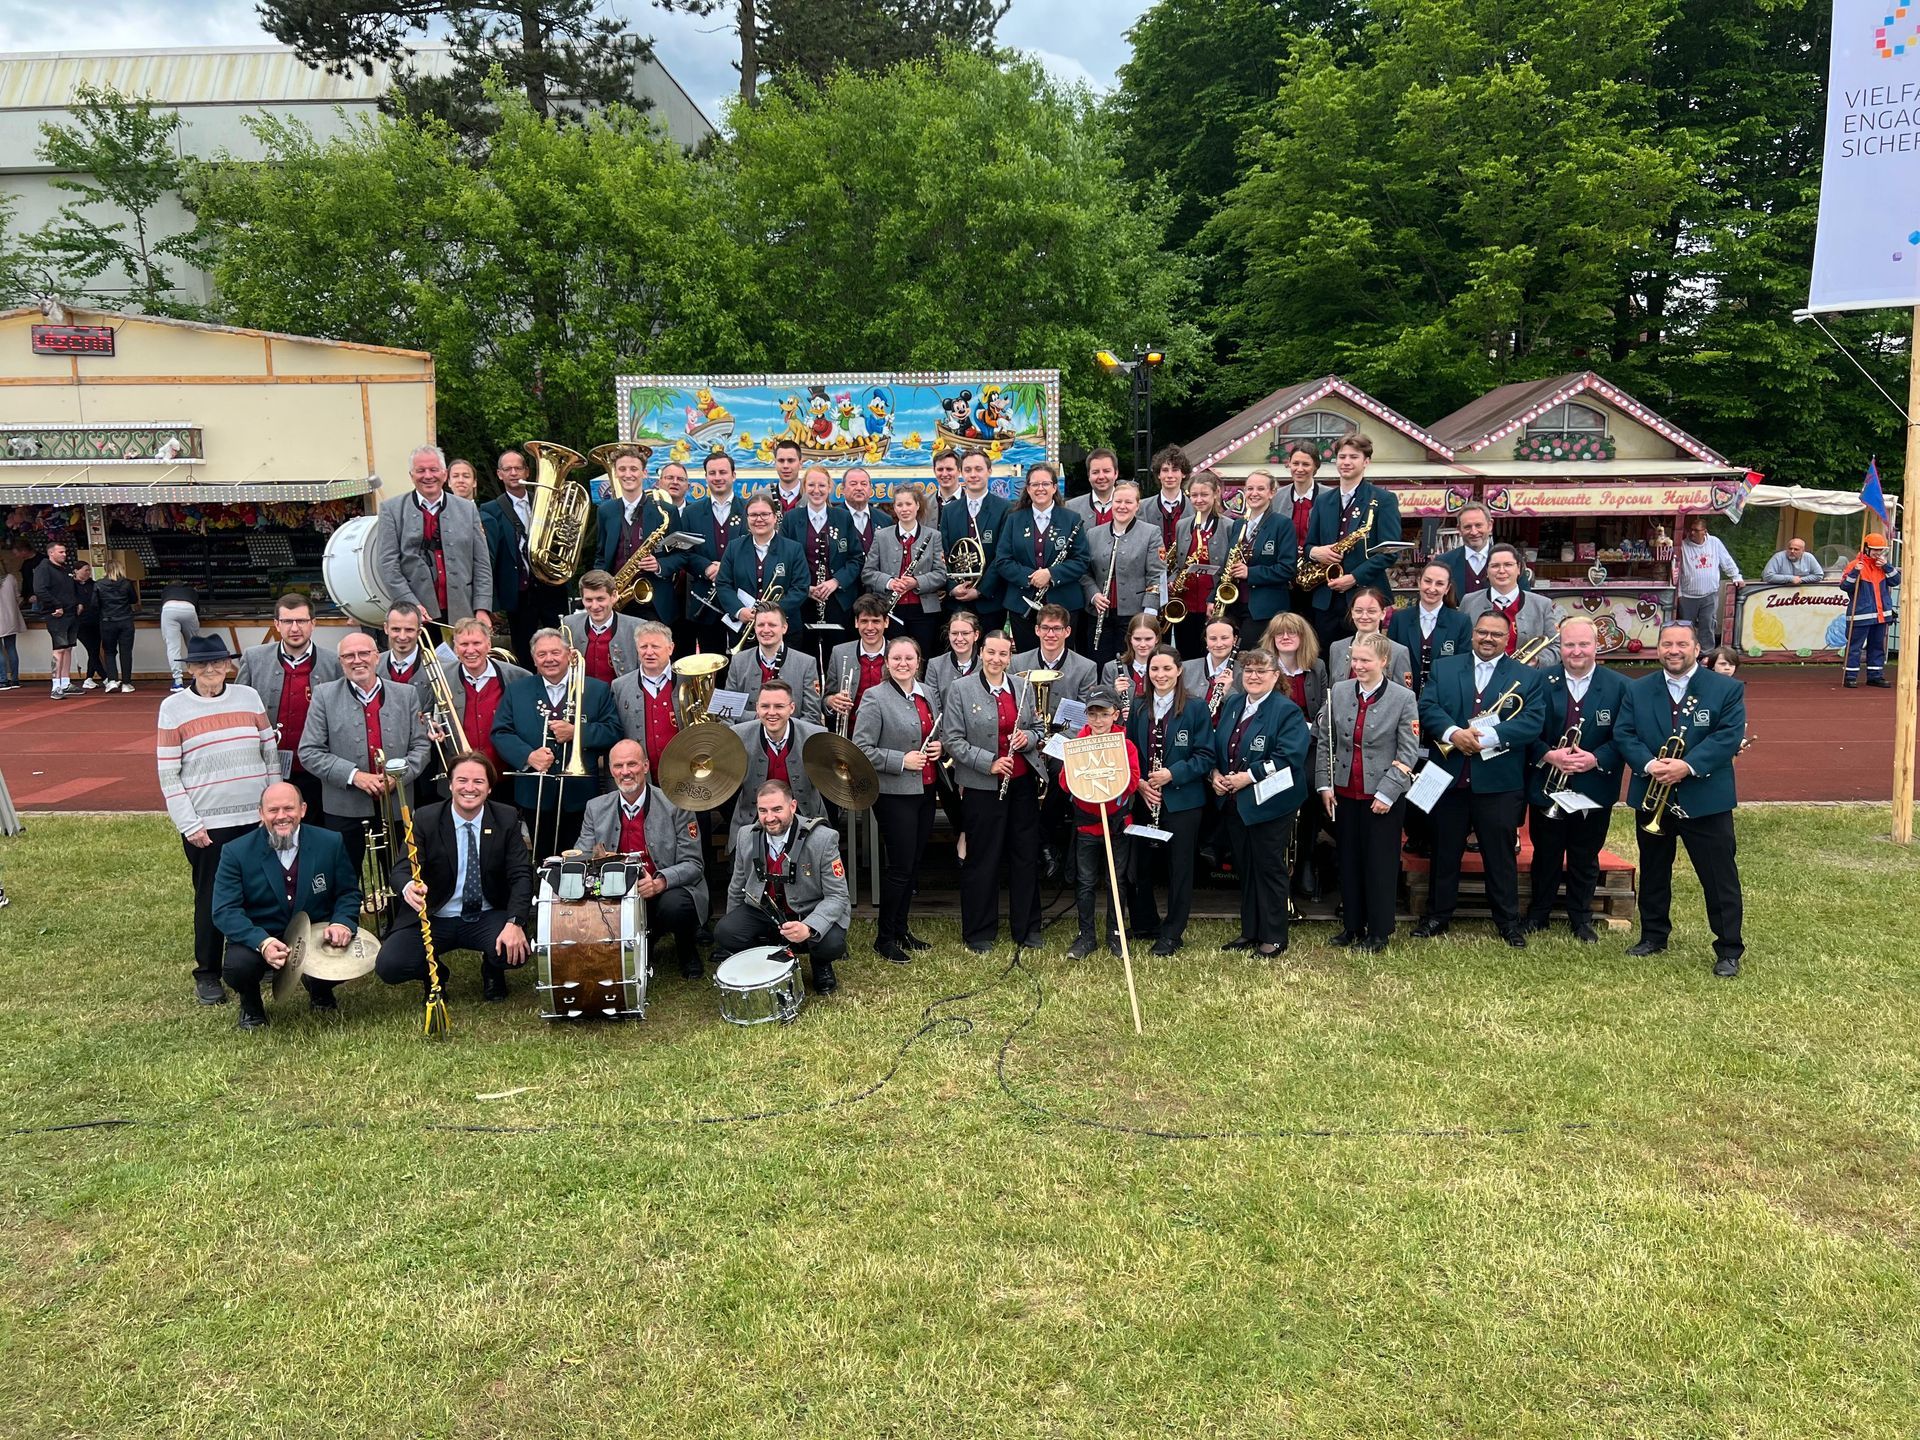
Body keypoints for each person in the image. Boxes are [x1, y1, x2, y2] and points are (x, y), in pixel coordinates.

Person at [1616, 621, 1747, 976]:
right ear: (1658, 648)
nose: (1673, 650)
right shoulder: (1637, 689)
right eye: (1667, 644)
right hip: (1653, 793)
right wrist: (1649, 764)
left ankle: (1728, 948)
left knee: (1718, 876)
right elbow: (1624, 733)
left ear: (1697, 648)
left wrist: (1687, 766)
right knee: (1654, 870)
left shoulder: (1726, 688)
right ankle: (1653, 935)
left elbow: (1728, 736)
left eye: (1682, 644)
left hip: (1706, 798)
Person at [156, 634, 279, 1005]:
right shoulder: (173, 708)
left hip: (255, 819)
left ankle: (259, 957)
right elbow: (168, 773)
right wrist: (189, 824)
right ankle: (208, 972)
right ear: (190, 669)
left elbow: (270, 754)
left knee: (260, 892)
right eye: (201, 663)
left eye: (217, 662)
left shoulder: (249, 697)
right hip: (208, 826)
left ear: (229, 665)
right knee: (212, 897)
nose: (210, 669)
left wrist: (273, 809)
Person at [1413, 611, 1547, 945]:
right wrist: (1453, 733)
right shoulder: (1444, 668)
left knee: (1500, 855)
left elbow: (1532, 722)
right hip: (1450, 778)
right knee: (1444, 851)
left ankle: (1507, 921)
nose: (1488, 639)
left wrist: (1486, 739)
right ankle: (1437, 916)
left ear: (1508, 638)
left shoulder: (1528, 677)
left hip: (1499, 783)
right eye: (1483, 632)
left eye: (1497, 634)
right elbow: (1427, 708)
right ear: (1473, 633)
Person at [374, 751, 535, 1002]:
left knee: (515, 953)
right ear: (450, 784)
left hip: (486, 913)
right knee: (391, 966)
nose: (469, 788)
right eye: (462, 780)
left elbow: (521, 874)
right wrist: (408, 887)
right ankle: (434, 974)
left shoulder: (506, 817)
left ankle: (492, 969)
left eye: (478, 781)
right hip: (435, 914)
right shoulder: (425, 818)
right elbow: (402, 869)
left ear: (489, 788)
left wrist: (515, 923)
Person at [211, 782, 362, 1029]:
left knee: (350, 949)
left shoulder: (330, 842)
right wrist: (262, 942)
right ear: (261, 813)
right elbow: (224, 910)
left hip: (314, 935)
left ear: (303, 809)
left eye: (289, 808)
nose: (281, 816)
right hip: (262, 936)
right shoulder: (235, 852)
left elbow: (348, 893)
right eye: (273, 810)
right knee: (239, 966)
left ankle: (320, 989)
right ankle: (251, 1005)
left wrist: (342, 923)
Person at [1521, 616, 1627, 943]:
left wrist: (1596, 758)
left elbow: (1626, 735)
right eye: (1569, 644)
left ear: (1597, 646)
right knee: (1546, 853)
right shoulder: (1539, 680)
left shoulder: (1620, 685)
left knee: (1585, 854)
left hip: (1593, 784)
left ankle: (1581, 917)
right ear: (1560, 647)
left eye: (1583, 644)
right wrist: (1548, 755)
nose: (1576, 651)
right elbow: (1524, 730)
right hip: (1547, 783)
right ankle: (1538, 913)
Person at [940, 629, 1045, 953]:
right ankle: (979, 931)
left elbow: (1038, 728)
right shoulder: (960, 689)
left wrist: (1027, 738)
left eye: (1003, 654)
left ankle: (1027, 928)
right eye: (991, 652)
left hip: (1022, 783)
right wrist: (990, 763)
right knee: (983, 857)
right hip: (982, 786)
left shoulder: (1022, 686)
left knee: (1025, 855)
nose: (996, 659)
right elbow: (952, 740)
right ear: (981, 652)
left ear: (1010, 657)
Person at [297, 631, 432, 879]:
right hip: (344, 806)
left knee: (402, 876)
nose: (357, 660)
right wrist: (355, 776)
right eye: (349, 656)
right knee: (343, 878)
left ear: (377, 657)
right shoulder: (324, 695)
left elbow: (421, 747)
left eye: (364, 653)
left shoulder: (406, 694)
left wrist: (397, 777)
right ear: (340, 662)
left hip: (396, 803)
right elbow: (309, 751)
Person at [1316, 633, 1420, 952]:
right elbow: (1326, 740)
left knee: (1379, 865)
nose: (1358, 666)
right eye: (1355, 660)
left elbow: (1408, 751)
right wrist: (1325, 784)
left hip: (1382, 797)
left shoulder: (1403, 698)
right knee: (1348, 861)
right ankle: (1352, 926)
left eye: (1366, 660)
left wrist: (1388, 793)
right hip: (1345, 793)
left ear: (1383, 661)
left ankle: (1379, 931)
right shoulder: (1339, 691)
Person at [1210, 648, 1312, 957]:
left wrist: (1248, 777)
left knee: (1268, 867)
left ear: (1275, 676)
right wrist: (1215, 773)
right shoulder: (1234, 703)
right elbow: (1219, 745)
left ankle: (1274, 936)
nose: (1253, 676)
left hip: (1272, 803)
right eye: (1249, 670)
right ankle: (1251, 931)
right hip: (1236, 802)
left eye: (1261, 671)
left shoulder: (1287, 711)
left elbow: (1289, 757)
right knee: (1246, 868)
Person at [579, 739, 707, 979]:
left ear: (646, 766)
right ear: (611, 770)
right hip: (615, 893)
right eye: (618, 766)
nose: (625, 772)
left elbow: (694, 864)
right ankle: (643, 941)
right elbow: (582, 856)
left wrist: (659, 882)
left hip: (663, 892)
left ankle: (687, 950)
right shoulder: (595, 808)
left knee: (677, 906)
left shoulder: (676, 805)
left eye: (632, 764)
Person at [492, 627, 621, 859]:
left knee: (579, 859)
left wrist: (577, 732)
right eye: (541, 654)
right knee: (542, 858)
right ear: (534, 659)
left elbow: (613, 731)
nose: (549, 659)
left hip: (580, 794)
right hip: (534, 793)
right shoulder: (517, 690)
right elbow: (501, 732)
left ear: (568, 655)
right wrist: (528, 756)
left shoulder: (596, 689)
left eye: (555, 652)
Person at [853, 635, 943, 964]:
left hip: (926, 789)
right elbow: (861, 749)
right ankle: (884, 938)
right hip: (894, 795)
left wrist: (940, 747)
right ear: (887, 663)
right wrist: (900, 760)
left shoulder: (927, 693)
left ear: (919, 662)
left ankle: (901, 928)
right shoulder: (874, 697)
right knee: (900, 867)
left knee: (913, 865)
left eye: (909, 658)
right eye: (896, 658)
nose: (903, 664)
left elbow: (932, 734)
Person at [713, 781, 851, 995]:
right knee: (726, 932)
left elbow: (837, 896)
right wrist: (733, 923)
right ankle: (761, 961)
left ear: (792, 806)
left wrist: (809, 927)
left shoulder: (823, 838)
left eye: (777, 809)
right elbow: (737, 886)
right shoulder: (745, 835)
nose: (769, 818)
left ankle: (821, 964)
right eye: (763, 810)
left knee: (831, 943)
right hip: (764, 911)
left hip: (807, 911)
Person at [1125, 646, 1214, 955]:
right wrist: (1139, 783)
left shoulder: (1196, 707)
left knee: (1180, 868)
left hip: (1182, 800)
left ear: (1179, 671)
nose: (1160, 675)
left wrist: (1171, 774)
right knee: (1139, 864)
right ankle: (1144, 923)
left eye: (1166, 669)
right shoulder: (1138, 705)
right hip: (1145, 796)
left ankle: (1173, 932)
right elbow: (1129, 750)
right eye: (1154, 669)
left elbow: (1205, 755)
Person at [238, 592, 342, 823]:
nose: (295, 628)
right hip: (267, 768)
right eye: (287, 621)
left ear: (313, 623)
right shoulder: (254, 659)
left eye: (301, 621)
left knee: (315, 829)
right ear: (277, 624)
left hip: (317, 771)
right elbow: (239, 711)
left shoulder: (334, 662)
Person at [373, 443, 494, 628]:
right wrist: (409, 602)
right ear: (411, 476)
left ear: (444, 474)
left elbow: (482, 563)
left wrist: (482, 607)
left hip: (463, 609)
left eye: (433, 469)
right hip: (413, 614)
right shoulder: (391, 510)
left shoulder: (467, 509)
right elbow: (387, 564)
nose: (428, 476)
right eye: (420, 470)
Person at [1302, 431, 1404, 653]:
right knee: (1327, 659)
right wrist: (1316, 552)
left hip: (1365, 597)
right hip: (1325, 599)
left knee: (1366, 657)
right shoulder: (1322, 501)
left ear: (1366, 462)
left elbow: (1390, 551)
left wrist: (1354, 577)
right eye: (1342, 456)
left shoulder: (1383, 500)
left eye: (1354, 457)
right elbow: (1309, 546)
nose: (1346, 462)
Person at [1059, 687, 1138, 960]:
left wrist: (1110, 783)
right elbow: (1065, 781)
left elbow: (1132, 780)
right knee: (1085, 881)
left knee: (1116, 880)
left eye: (1104, 714)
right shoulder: (1077, 744)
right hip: (1087, 825)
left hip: (1116, 824)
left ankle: (1116, 935)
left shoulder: (1125, 745)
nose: (1098, 720)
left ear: (1115, 715)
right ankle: (1086, 936)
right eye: (1092, 714)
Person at [1263, 611, 1330, 895]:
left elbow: (1325, 707)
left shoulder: (1317, 667)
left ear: (1303, 638)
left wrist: (1310, 729)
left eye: (1292, 632)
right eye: (1280, 633)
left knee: (1311, 786)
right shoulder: (1264, 667)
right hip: (1274, 744)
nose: (1286, 637)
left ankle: (1305, 860)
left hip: (1310, 742)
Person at [994, 462, 1089, 652]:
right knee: (1027, 659)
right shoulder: (1014, 519)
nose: (1040, 488)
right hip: (1022, 604)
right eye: (1035, 484)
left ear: (1054, 487)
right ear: (1028, 489)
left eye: (1045, 484)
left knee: (1061, 658)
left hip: (1064, 602)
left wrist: (1051, 574)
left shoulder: (1072, 518)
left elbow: (1081, 561)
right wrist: (1030, 577)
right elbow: (1003, 560)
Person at [1080, 481, 1164, 667]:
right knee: (1099, 664)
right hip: (1099, 614)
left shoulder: (1151, 533)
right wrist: (1094, 595)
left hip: (1135, 614)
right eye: (1118, 501)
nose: (1122, 506)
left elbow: (1157, 574)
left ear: (1137, 505)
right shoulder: (1093, 533)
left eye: (1128, 502)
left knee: (1129, 666)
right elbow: (1084, 572)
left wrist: (1149, 613)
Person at [593, 443, 679, 626]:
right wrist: (599, 590)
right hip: (616, 599)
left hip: (654, 601)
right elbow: (600, 556)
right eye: (622, 469)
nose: (628, 474)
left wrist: (659, 565)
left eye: (633, 469)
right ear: (616, 473)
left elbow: (681, 555)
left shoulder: (666, 511)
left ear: (644, 473)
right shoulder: (605, 511)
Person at [862, 482, 948, 658]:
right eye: (899, 504)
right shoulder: (881, 536)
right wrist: (890, 582)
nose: (904, 509)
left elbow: (941, 575)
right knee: (893, 655)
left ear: (917, 505)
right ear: (894, 508)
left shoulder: (933, 536)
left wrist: (917, 582)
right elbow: (868, 573)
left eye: (909, 504)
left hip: (924, 611)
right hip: (890, 609)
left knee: (923, 656)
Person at [727, 679, 826, 830]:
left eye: (779, 706)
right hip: (751, 822)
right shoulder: (737, 736)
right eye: (765, 706)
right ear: (757, 708)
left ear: (791, 708)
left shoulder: (816, 736)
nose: (771, 713)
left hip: (807, 821)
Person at [436, 616, 529, 771]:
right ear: (455, 648)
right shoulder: (440, 676)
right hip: (459, 773)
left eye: (476, 643)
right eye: (464, 644)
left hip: (507, 772)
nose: (470, 650)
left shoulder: (518, 676)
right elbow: (427, 714)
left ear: (488, 644)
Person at [781, 464, 861, 643]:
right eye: (811, 485)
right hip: (801, 602)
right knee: (805, 651)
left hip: (838, 602)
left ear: (830, 487)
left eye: (822, 485)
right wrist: (805, 588)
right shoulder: (791, 518)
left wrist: (836, 581)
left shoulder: (843, 517)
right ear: (804, 487)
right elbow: (782, 560)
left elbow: (856, 558)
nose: (816, 490)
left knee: (837, 651)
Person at [680, 450, 749, 657]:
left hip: (742, 602)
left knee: (743, 662)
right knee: (711, 662)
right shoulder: (691, 513)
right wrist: (706, 567)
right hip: (705, 603)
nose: (718, 477)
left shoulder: (749, 510)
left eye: (723, 472)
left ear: (733, 475)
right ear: (706, 477)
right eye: (712, 473)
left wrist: (726, 569)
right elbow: (684, 553)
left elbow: (758, 550)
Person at [1224, 468, 1299, 649]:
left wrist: (1250, 573)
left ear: (1272, 493)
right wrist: (1213, 598)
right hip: (1234, 605)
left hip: (1264, 609)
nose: (1254, 493)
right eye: (1250, 489)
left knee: (1250, 655)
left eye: (1260, 489)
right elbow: (1227, 564)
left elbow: (1287, 569)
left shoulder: (1283, 524)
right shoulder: (1238, 524)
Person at [716, 494, 808, 637]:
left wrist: (772, 614)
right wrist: (739, 611)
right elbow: (723, 584)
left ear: (775, 517)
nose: (759, 519)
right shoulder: (734, 548)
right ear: (747, 519)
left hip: (784, 629)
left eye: (765, 514)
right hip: (743, 629)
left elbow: (800, 588)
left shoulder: (793, 549)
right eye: (753, 515)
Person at [941, 450, 1010, 635]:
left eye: (978, 469)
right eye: (968, 469)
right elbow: (944, 554)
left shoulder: (1005, 508)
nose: (973, 475)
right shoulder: (949, 511)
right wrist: (952, 588)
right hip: (957, 602)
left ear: (989, 471)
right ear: (961, 473)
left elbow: (1002, 555)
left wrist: (980, 590)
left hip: (990, 601)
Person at [1165, 471, 1232, 658]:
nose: (1199, 500)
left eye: (1204, 495)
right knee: (1185, 653)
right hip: (1184, 602)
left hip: (1212, 602)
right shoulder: (1182, 525)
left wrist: (1215, 598)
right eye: (1194, 495)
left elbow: (1229, 567)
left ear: (1216, 493)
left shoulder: (1229, 526)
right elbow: (1177, 565)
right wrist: (1172, 579)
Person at [724, 606, 824, 723]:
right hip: (746, 733)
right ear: (754, 628)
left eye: (772, 625)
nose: (766, 630)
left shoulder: (806, 663)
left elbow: (812, 715)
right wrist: (756, 718)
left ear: (784, 628)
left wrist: (785, 730)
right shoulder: (738, 661)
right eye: (761, 625)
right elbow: (728, 711)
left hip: (793, 734)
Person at [608, 618, 685, 770]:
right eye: (643, 646)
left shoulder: (688, 680)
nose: (649, 652)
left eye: (655, 646)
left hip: (684, 772)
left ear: (670, 648)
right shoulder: (619, 686)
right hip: (640, 776)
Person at [1461, 544, 1559, 663]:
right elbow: (1460, 643)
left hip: (1526, 673)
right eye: (1495, 566)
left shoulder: (1542, 604)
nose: (1502, 571)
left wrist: (1537, 661)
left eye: (1508, 565)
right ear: (1487, 571)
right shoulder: (1469, 602)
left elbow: (1556, 645)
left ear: (1518, 568)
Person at [1387, 561, 1471, 693]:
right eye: (1428, 581)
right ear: (1419, 582)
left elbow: (1463, 665)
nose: (1432, 588)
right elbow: (1390, 662)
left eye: (1439, 584)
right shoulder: (1399, 619)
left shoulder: (1461, 622)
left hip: (1444, 696)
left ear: (1447, 589)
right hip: (1404, 696)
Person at [824, 593, 891, 733]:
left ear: (886, 622)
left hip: (888, 735)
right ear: (856, 622)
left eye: (876, 621)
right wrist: (831, 701)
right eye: (864, 621)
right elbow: (826, 698)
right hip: (850, 734)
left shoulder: (899, 654)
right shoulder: (839, 653)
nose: (870, 627)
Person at [1840, 533, 1900, 689]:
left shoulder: (1883, 565)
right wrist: (1855, 572)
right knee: (1855, 647)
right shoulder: (1854, 565)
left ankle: (1875, 676)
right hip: (1860, 615)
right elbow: (1845, 586)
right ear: (1866, 548)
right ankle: (1850, 676)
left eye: (1880, 550)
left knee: (1877, 647)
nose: (1878, 553)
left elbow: (1896, 581)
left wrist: (1887, 566)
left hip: (1881, 615)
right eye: (1875, 550)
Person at [563, 570, 642, 685]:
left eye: (600, 599)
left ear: (613, 596)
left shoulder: (638, 627)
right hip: (583, 695)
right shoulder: (569, 624)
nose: (594, 606)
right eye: (588, 600)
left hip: (621, 695)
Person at [1435, 504, 1530, 600]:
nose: (1474, 532)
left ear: (1490, 525)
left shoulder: (1513, 560)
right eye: (1467, 527)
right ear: (1459, 529)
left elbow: (1526, 600)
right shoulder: (1443, 562)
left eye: (1478, 525)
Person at [1012, 604, 1098, 707]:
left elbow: (1084, 710)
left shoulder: (1086, 668)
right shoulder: (1017, 664)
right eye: (1045, 628)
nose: (1050, 634)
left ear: (1067, 631)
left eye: (1057, 628)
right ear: (1037, 630)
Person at [1675, 516, 1742, 648]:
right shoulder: (1683, 546)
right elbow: (1677, 570)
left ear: (1704, 532)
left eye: (1696, 530)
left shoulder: (1714, 542)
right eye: (1691, 530)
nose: (1692, 533)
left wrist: (1736, 576)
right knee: (1686, 628)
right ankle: (1687, 652)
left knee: (1708, 625)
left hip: (1709, 594)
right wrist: (1679, 593)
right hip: (1688, 596)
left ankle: (1707, 653)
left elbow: (1726, 561)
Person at [1329, 587, 1414, 687]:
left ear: (1383, 613)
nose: (1364, 616)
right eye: (1358, 611)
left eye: (1371, 611)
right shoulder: (1337, 648)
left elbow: (1406, 693)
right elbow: (1333, 689)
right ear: (1352, 613)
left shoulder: (1399, 652)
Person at [1282, 441, 1324, 618]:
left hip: (1318, 577)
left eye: (1306, 464)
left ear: (1316, 467)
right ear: (1289, 464)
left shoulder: (1330, 496)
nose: (1299, 469)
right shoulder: (1276, 497)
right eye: (1295, 463)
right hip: (1285, 577)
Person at [33, 539, 78, 699]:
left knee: (68, 647)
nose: (64, 554)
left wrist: (78, 602)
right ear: (51, 553)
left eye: (65, 552)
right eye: (61, 552)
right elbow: (40, 590)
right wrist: (56, 605)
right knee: (59, 649)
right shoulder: (43, 569)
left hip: (70, 612)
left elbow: (70, 589)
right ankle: (56, 686)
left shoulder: (65, 569)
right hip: (56, 614)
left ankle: (65, 682)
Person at [1103, 613, 1162, 718]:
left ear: (1156, 639)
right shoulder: (1111, 668)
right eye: (1137, 639)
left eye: (1148, 639)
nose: (1142, 644)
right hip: (1121, 726)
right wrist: (1115, 694)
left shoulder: (1167, 668)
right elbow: (1101, 709)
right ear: (1130, 639)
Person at [93, 559, 139, 693]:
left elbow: (94, 604)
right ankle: (126, 683)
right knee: (126, 652)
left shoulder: (98, 584)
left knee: (109, 652)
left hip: (107, 621)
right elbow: (134, 599)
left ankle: (112, 680)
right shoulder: (126, 583)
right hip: (125, 620)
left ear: (105, 569)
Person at [1183, 618, 1243, 714]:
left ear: (1234, 640)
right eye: (1213, 639)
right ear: (1206, 640)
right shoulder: (1185, 668)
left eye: (1224, 638)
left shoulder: (1244, 672)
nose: (1219, 644)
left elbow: (1246, 711)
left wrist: (1228, 692)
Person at [1148, 444, 1191, 554]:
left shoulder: (1195, 508)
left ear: (1184, 474)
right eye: (1165, 470)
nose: (1170, 475)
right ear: (1158, 475)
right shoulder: (1142, 508)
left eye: (1175, 470)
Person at [158, 580, 202, 690]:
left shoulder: (167, 590)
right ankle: (196, 677)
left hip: (169, 609)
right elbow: (197, 609)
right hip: (189, 609)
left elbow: (162, 605)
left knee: (173, 647)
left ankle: (178, 681)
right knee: (193, 644)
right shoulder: (191, 590)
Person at [840, 466, 891, 559]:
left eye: (864, 484)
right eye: (853, 484)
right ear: (843, 489)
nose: (859, 488)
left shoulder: (885, 520)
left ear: (870, 489)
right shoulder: (833, 518)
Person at [1066, 447, 1121, 532]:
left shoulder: (1134, 507)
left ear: (1116, 473)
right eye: (1095, 472)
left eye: (1106, 471)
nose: (1101, 477)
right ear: (1089, 476)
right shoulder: (1072, 508)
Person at [378, 601, 429, 688]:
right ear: (386, 628)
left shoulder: (441, 668)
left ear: (419, 631)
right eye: (396, 629)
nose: (402, 637)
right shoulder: (373, 665)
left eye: (409, 630)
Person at [72, 561, 105, 690]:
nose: (88, 573)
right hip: (80, 623)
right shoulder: (70, 585)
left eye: (89, 570)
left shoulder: (94, 584)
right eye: (85, 570)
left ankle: (89, 678)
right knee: (92, 649)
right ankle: (105, 677)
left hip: (95, 620)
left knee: (94, 650)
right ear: (76, 571)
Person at [0, 556, 20, 691]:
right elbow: (17, 597)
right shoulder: (11, 578)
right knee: (11, 648)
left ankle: (2, 680)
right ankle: (15, 679)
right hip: (10, 619)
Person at [771, 437, 806, 512]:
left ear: (800, 464)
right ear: (775, 463)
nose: (785, 466)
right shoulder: (762, 496)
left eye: (791, 460)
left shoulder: (812, 498)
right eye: (781, 460)